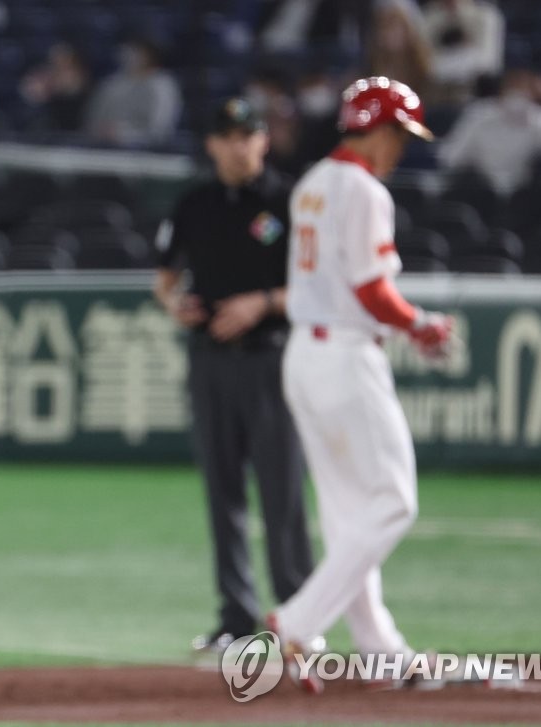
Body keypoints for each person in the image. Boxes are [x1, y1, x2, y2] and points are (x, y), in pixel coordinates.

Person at [268, 76, 453, 693]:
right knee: (394, 500)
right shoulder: (364, 190)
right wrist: (422, 325)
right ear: (379, 128)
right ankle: (298, 620)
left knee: (352, 515)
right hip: (345, 355)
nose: (401, 147)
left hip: (304, 354)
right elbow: (372, 289)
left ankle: (379, 649)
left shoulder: (313, 182)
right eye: (400, 133)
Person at [153, 98, 315, 653]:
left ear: (263, 141)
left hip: (271, 357)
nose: (239, 144)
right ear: (212, 144)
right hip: (211, 362)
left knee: (282, 494)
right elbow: (165, 277)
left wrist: (261, 302)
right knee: (223, 493)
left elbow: (316, 286)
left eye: (249, 134)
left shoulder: (289, 200)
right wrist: (177, 305)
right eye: (229, 135)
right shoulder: (195, 202)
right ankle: (236, 618)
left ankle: (300, 618)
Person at [436, 68, 541, 195]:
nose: (518, 96)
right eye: (514, 86)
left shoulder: (534, 118)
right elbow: (450, 158)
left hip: (519, 201)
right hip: (477, 194)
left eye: (523, 88)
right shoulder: (479, 114)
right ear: (504, 88)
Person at [83, 35, 182, 147]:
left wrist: (123, 134)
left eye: (137, 50)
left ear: (149, 54)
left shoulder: (162, 85)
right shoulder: (112, 83)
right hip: (102, 148)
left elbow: (159, 130)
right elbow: (92, 120)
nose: (129, 54)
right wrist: (101, 132)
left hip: (145, 152)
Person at [421, 0, 504, 104]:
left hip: (476, 91)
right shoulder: (429, 17)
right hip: (436, 93)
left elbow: (486, 63)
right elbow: (425, 64)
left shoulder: (486, 16)